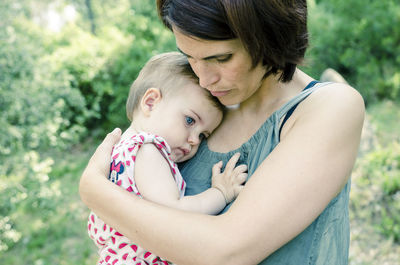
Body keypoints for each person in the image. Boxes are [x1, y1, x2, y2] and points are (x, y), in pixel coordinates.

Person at [79, 1, 365, 264]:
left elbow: (226, 252)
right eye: (189, 57)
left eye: (222, 58)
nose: (204, 79)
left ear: (269, 34)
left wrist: (96, 193)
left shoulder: (329, 107)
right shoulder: (200, 112)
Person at [86, 52, 247, 265]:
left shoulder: (120, 149)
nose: (194, 141)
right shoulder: (147, 150)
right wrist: (220, 193)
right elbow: (174, 213)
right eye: (190, 120)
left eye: (202, 135)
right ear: (151, 102)